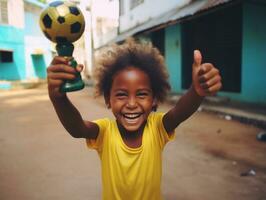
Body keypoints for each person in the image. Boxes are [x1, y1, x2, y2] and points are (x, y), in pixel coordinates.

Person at [47, 39, 222, 200]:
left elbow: (179, 112)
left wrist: (196, 92)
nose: (131, 104)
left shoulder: (157, 128)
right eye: (122, 95)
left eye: (142, 94)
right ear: (108, 99)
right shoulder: (105, 131)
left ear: (154, 99)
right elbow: (77, 129)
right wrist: (59, 99)